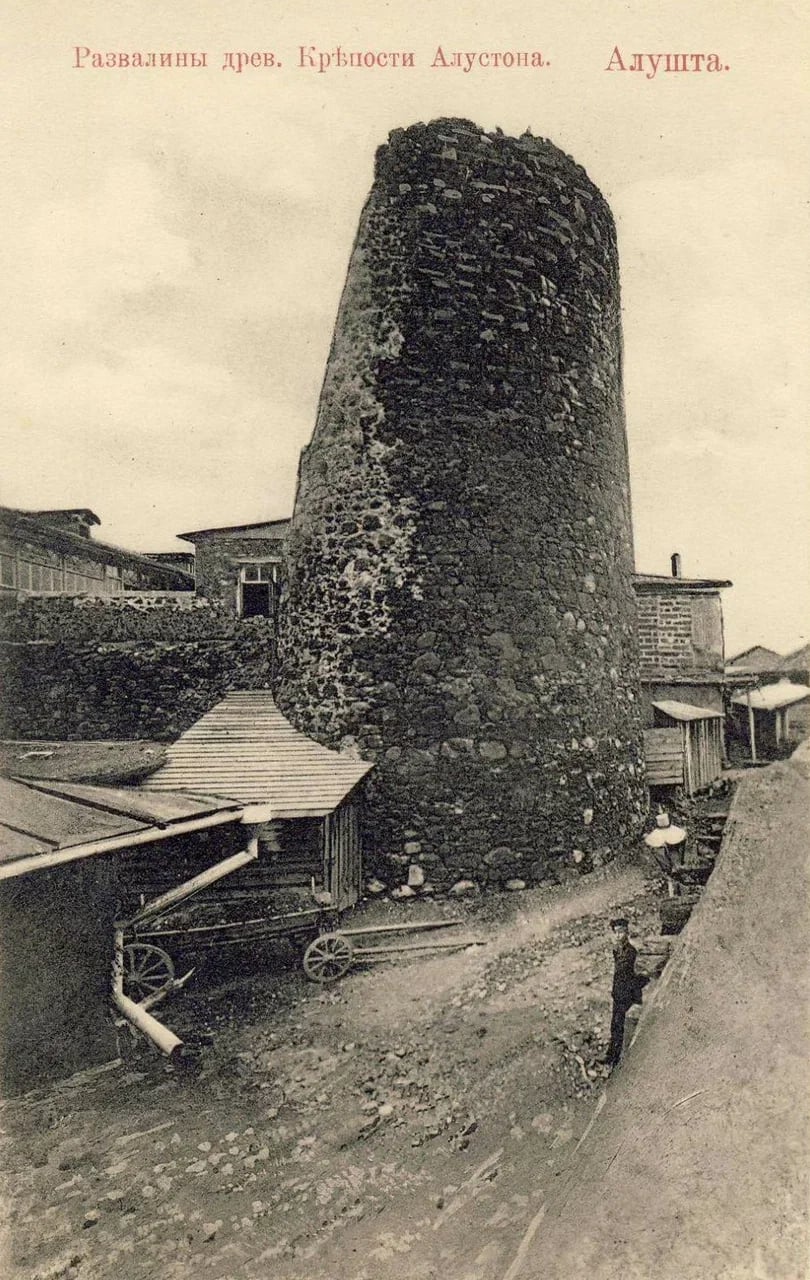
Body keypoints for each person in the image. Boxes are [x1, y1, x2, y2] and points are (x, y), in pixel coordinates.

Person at [601, 917, 646, 1069]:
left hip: (626, 994)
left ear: (626, 932)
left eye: (621, 932)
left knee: (620, 1025)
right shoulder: (617, 951)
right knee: (614, 1025)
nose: (618, 935)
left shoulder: (630, 952)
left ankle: (616, 1058)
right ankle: (611, 1055)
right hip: (618, 993)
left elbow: (628, 974)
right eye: (616, 933)